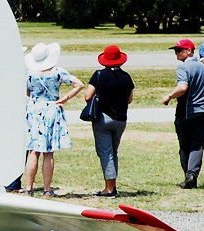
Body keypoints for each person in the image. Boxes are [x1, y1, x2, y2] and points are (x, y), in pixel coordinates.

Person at [23, 42, 84, 196]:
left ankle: (29, 187)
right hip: (51, 108)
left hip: (35, 109)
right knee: (48, 152)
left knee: (33, 151)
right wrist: (65, 98)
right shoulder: (57, 72)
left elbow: (27, 92)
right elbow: (79, 84)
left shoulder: (29, 73)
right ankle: (47, 189)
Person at [81, 44, 134, 197]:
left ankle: (109, 189)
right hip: (121, 119)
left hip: (103, 118)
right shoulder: (126, 77)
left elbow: (87, 96)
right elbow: (129, 99)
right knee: (113, 152)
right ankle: (113, 185)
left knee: (105, 152)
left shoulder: (99, 75)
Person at [164, 38, 204, 188]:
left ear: (189, 51)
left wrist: (169, 96)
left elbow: (182, 87)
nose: (176, 53)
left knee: (185, 145)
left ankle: (188, 176)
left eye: (179, 50)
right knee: (198, 145)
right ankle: (193, 175)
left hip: (188, 111)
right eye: (175, 50)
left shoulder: (183, 68)